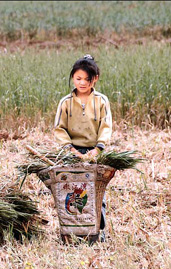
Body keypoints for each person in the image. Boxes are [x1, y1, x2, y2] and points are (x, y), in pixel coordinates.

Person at [53, 54, 112, 243]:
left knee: (96, 194)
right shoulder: (66, 103)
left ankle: (98, 232)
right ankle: (73, 233)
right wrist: (71, 150)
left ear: (95, 79)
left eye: (87, 79)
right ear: (73, 78)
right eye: (78, 78)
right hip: (72, 152)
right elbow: (59, 128)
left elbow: (106, 126)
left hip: (95, 153)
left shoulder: (101, 101)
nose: (82, 83)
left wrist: (97, 150)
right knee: (71, 192)